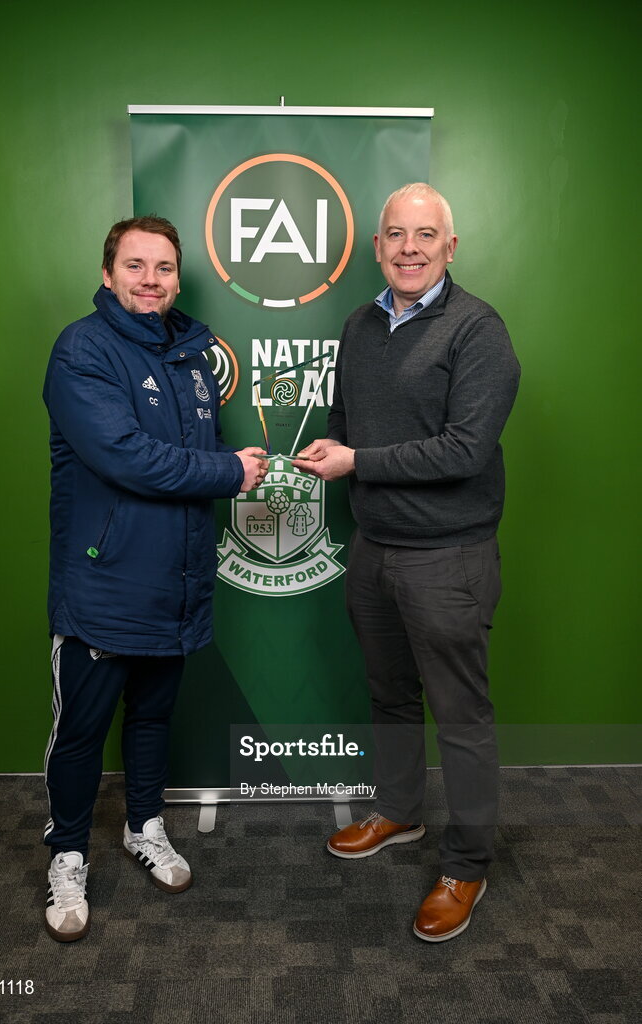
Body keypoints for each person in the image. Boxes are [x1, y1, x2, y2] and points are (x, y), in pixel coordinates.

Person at [293, 183, 520, 942]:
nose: (409, 247)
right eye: (395, 234)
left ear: (449, 248)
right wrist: (335, 448)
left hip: (447, 557)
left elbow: (464, 450)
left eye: (425, 235)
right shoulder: (360, 324)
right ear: (378, 246)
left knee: (459, 716)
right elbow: (345, 419)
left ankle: (466, 863)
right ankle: (397, 812)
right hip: (373, 549)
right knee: (389, 697)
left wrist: (357, 459)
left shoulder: (476, 330)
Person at [41, 215, 267, 942]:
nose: (149, 280)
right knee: (80, 733)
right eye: (134, 266)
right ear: (108, 274)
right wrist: (230, 471)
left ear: (176, 278)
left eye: (163, 268)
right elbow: (128, 457)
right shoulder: (82, 349)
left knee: (151, 720)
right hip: (102, 588)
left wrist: (238, 460)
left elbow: (195, 454)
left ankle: (145, 827)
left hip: (175, 584)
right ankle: (67, 854)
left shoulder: (193, 357)